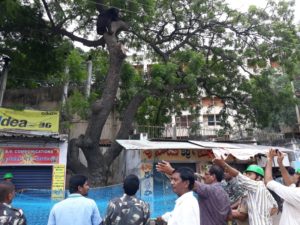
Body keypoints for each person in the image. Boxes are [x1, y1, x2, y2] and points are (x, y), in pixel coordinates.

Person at [157, 161, 231, 225]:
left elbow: (191, 183)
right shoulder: (225, 194)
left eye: (206, 174)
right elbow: (229, 217)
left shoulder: (209, 190)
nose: (204, 176)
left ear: (213, 176)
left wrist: (173, 171)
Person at [213, 158, 278, 225]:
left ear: (258, 178)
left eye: (249, 174)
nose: (247, 176)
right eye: (246, 174)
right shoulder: (262, 190)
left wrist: (223, 164)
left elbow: (238, 175)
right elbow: (275, 206)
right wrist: (264, 214)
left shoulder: (258, 185)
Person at [264, 149, 300, 225]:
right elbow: (289, 182)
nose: (294, 175)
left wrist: (269, 159)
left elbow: (268, 181)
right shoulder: (296, 190)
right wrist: (280, 163)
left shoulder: (296, 193)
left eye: (296, 173)